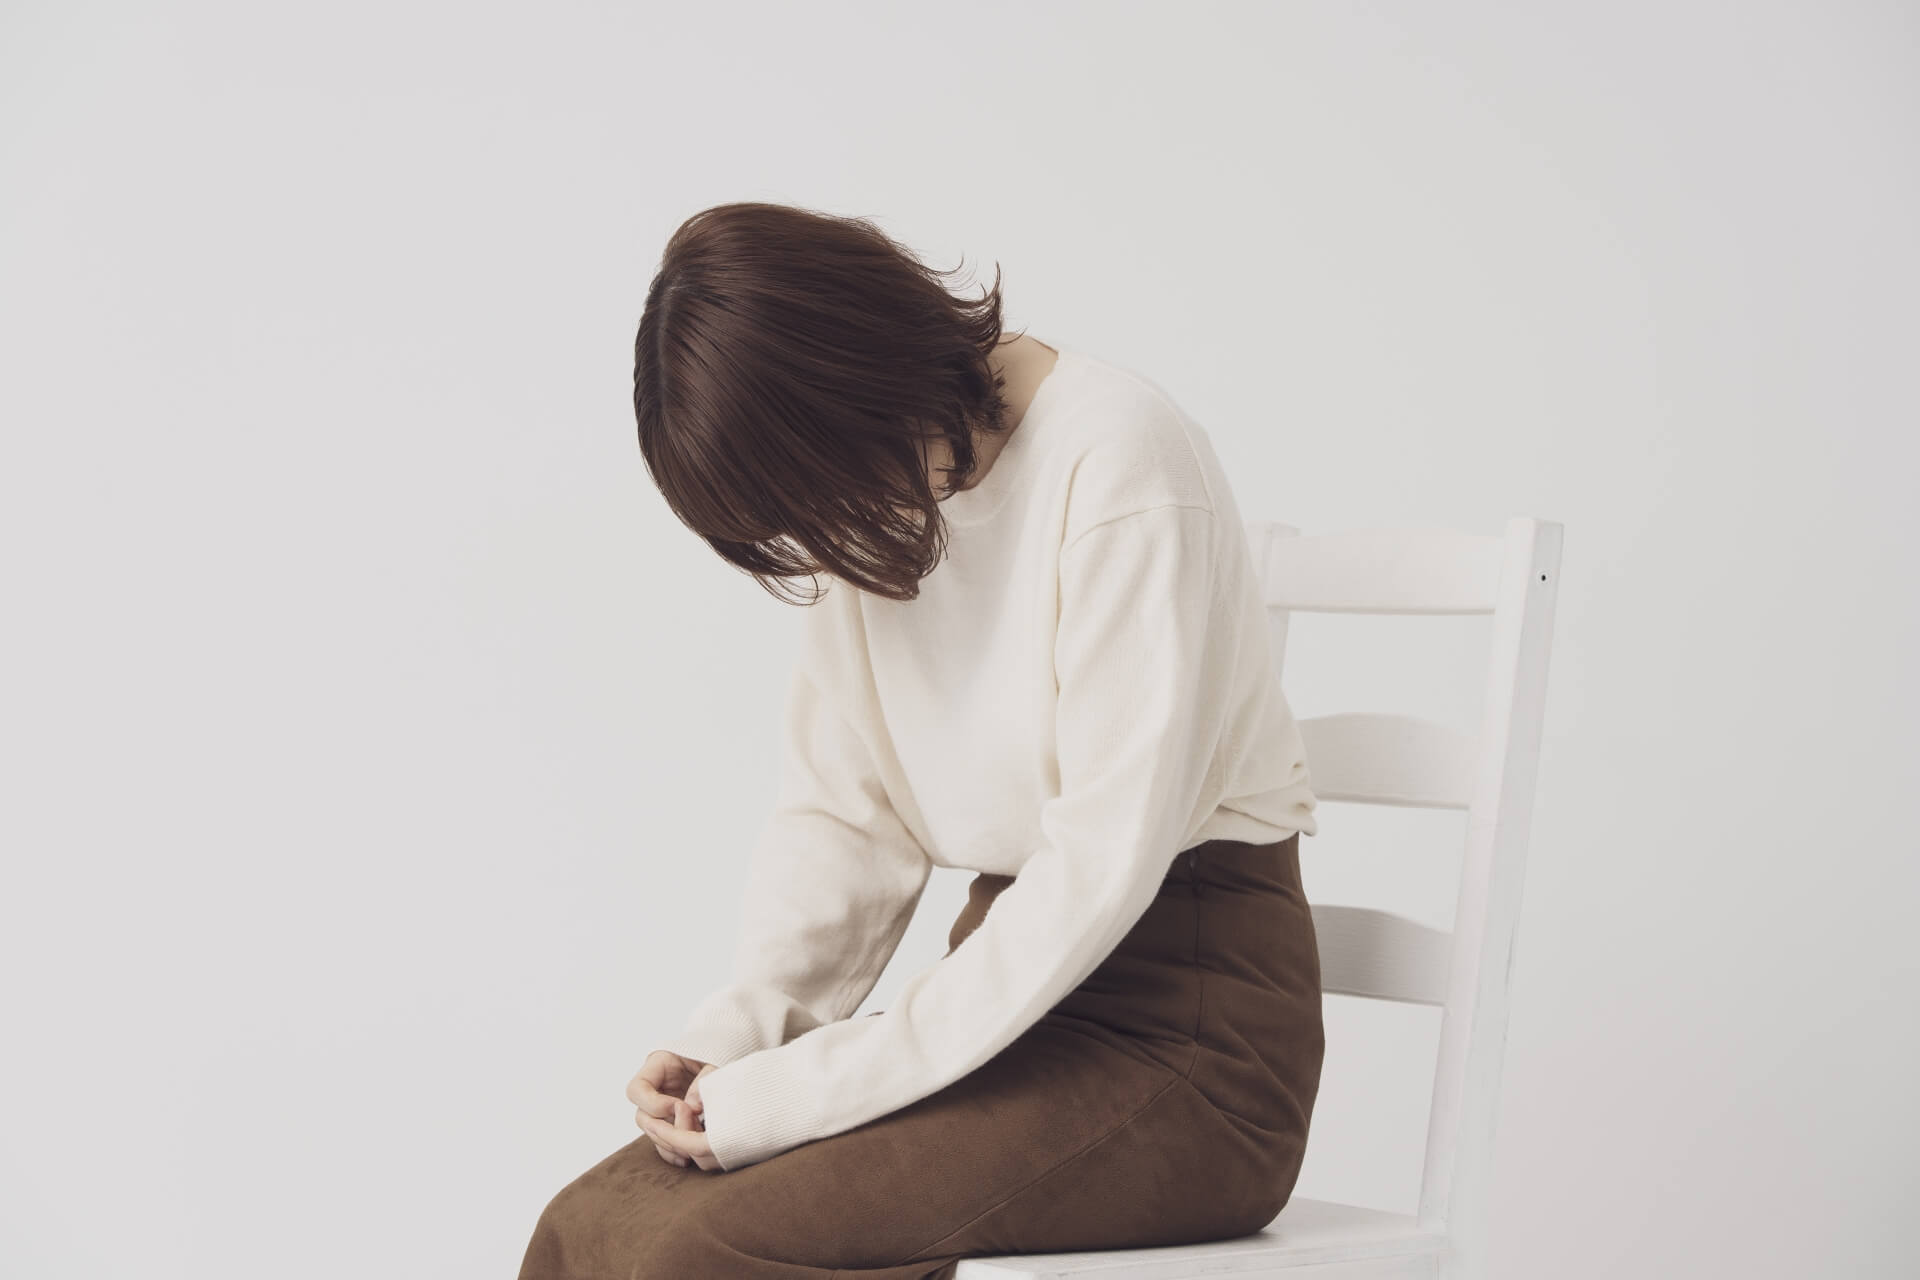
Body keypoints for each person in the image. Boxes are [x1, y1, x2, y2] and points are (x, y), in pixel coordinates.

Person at [517, 200, 1325, 1279]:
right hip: (1000, 1013)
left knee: (708, 1251)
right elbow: (847, 819)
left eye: (812, 498)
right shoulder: (879, 501)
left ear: (861, 377)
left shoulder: (1121, 461)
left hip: (1191, 1049)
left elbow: (1096, 871)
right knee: (589, 1228)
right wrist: (738, 1041)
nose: (822, 540)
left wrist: (801, 1089)